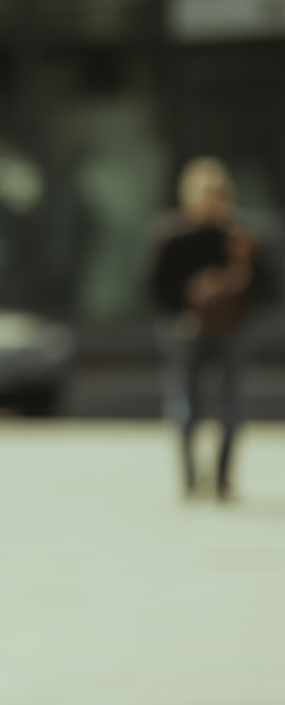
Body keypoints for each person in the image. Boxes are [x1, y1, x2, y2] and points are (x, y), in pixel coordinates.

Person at [149, 157, 263, 498]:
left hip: (231, 328)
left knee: (230, 403)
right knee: (186, 401)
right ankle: (189, 475)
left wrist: (234, 285)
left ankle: (222, 476)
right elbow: (155, 286)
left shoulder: (238, 235)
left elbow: (264, 284)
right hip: (188, 328)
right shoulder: (173, 235)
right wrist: (186, 302)